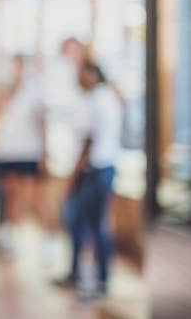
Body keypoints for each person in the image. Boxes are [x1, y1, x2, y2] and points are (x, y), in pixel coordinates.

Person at [55, 61, 122, 300]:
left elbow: (88, 141)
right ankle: (79, 274)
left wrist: (72, 177)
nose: (79, 79)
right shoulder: (100, 97)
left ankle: (100, 280)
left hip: (95, 171)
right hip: (96, 170)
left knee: (94, 226)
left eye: (81, 74)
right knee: (79, 223)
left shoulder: (100, 99)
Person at [0, 55, 46, 257]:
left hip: (28, 150)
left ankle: (38, 239)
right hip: (6, 150)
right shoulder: (2, 92)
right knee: (9, 194)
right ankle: (8, 235)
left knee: (28, 197)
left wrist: (45, 150)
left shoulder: (34, 92)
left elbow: (41, 121)